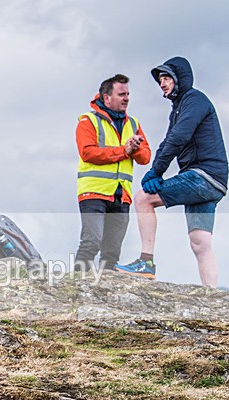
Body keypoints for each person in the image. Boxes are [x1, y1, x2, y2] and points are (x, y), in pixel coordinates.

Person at [116, 57, 228, 287]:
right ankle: (212, 296)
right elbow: (169, 140)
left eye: (167, 78)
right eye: (160, 80)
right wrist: (156, 171)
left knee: (142, 199)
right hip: (213, 181)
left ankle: (145, 263)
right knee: (200, 242)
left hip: (203, 176)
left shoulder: (194, 100)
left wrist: (156, 172)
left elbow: (179, 137)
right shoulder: (180, 107)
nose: (162, 84)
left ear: (180, 78)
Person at [74, 74, 151, 272]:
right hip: (93, 191)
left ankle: (106, 294)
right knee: (91, 242)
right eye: (121, 94)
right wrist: (123, 151)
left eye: (128, 94)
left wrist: (136, 148)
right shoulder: (88, 121)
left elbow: (145, 157)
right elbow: (87, 152)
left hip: (121, 194)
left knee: (113, 251)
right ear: (107, 97)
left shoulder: (133, 124)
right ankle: (75, 286)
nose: (126, 98)